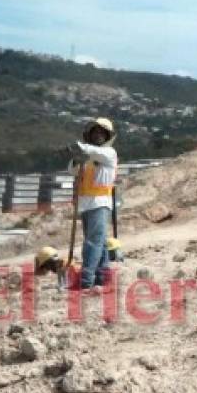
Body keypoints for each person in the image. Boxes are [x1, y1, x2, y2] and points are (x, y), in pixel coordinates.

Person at [65, 118, 118, 291]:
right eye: (95, 132)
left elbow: (92, 151)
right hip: (86, 204)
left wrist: (80, 147)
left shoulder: (109, 153)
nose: (98, 135)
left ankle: (86, 280)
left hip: (100, 203)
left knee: (92, 243)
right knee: (100, 243)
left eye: (101, 133)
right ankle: (102, 278)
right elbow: (72, 170)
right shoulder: (88, 156)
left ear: (107, 136)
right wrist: (75, 158)